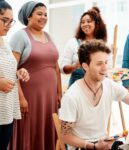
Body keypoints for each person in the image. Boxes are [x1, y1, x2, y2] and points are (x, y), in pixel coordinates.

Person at [59, 39, 129, 150]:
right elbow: (65, 136)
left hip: (102, 143)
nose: (105, 68)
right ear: (85, 66)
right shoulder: (72, 96)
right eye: (99, 63)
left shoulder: (109, 85)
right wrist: (93, 146)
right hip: (82, 147)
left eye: (105, 62)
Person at [8, 1, 61, 150]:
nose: (43, 17)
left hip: (49, 98)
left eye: (45, 14)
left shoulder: (49, 36)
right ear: (28, 16)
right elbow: (11, 69)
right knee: (29, 129)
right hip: (29, 97)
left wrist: (58, 92)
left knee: (48, 127)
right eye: (39, 14)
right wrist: (21, 98)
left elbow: (55, 67)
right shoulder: (20, 36)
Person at [0, 0, 30, 150]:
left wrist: (18, 72)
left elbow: (7, 69)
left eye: (11, 21)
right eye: (5, 20)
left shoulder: (5, 43)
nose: (8, 25)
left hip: (6, 109)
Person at [59, 6, 107, 87]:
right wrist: (75, 66)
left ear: (96, 24)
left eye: (89, 21)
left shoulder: (103, 45)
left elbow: (107, 69)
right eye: (82, 22)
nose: (85, 24)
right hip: (76, 88)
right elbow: (62, 69)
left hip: (97, 88)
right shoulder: (72, 43)